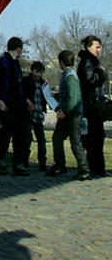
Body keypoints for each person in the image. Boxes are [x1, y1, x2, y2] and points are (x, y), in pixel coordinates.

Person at [47, 50, 90, 180]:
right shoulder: (69, 75)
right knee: (57, 138)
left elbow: (74, 97)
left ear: (61, 62)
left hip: (72, 115)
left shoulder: (70, 76)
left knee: (75, 142)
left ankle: (84, 169)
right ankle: (60, 165)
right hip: (69, 114)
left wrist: (64, 112)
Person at [0, 36, 30, 176]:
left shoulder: (14, 63)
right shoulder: (3, 63)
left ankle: (17, 162)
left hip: (17, 104)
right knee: (6, 133)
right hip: (7, 103)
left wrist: (25, 99)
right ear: (19, 49)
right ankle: (0, 158)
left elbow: (19, 85)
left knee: (19, 135)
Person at [77, 35, 109, 178]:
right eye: (96, 47)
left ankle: (98, 167)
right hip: (91, 105)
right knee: (94, 138)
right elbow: (89, 80)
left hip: (94, 103)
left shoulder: (90, 61)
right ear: (89, 47)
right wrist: (101, 73)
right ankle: (95, 167)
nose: (99, 50)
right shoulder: (87, 62)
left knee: (97, 137)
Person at [23, 61, 49, 171]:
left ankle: (42, 162)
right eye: (37, 72)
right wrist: (27, 101)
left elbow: (47, 98)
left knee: (41, 140)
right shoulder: (27, 81)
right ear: (32, 71)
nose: (39, 75)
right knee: (27, 139)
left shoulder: (43, 84)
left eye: (41, 72)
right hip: (28, 114)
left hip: (38, 114)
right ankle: (25, 161)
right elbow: (22, 94)